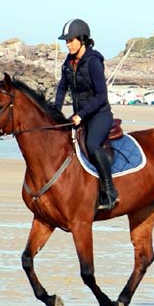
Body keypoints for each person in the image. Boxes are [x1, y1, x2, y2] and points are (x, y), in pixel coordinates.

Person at [53, 18, 118, 212]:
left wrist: (81, 114)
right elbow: (62, 88)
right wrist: (55, 110)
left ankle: (109, 192)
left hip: (99, 114)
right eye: (66, 41)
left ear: (83, 39)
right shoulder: (69, 61)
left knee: (91, 145)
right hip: (80, 115)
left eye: (71, 40)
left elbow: (101, 95)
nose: (68, 45)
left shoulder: (93, 61)